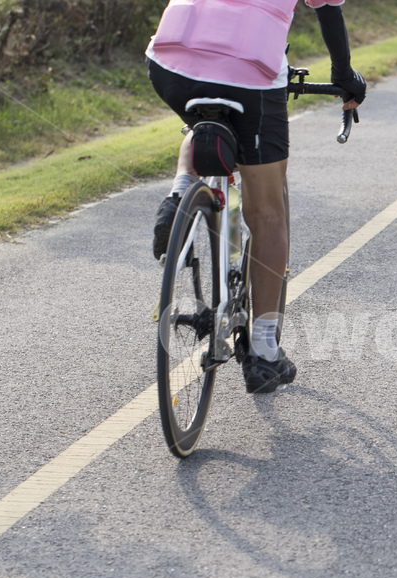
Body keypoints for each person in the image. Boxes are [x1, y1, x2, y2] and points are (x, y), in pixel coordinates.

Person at [145, 0, 366, 394]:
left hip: (170, 61)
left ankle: (180, 191)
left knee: (201, 120)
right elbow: (328, 10)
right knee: (267, 215)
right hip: (249, 73)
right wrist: (344, 76)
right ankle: (264, 352)